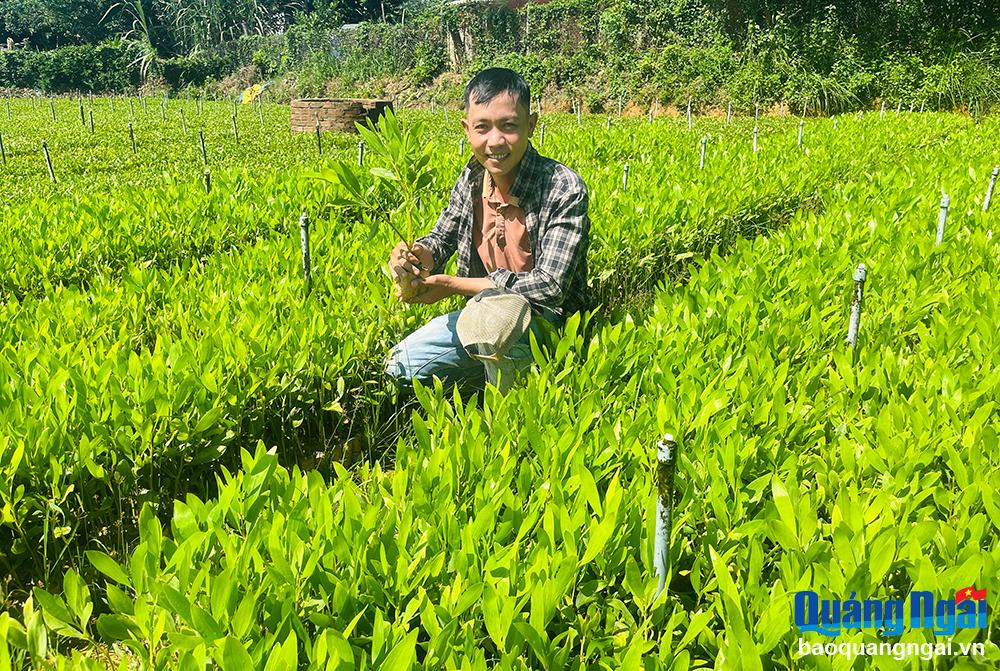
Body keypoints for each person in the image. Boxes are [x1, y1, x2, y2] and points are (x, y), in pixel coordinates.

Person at [384, 67, 591, 391]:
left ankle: (509, 402)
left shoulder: (562, 187)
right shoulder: (471, 178)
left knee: (502, 370)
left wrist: (454, 285)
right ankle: (481, 379)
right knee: (399, 366)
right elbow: (441, 238)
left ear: (531, 125)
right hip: (481, 313)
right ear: (467, 130)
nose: (495, 141)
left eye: (509, 126)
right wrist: (418, 257)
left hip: (544, 320)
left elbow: (550, 287)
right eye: (482, 128)